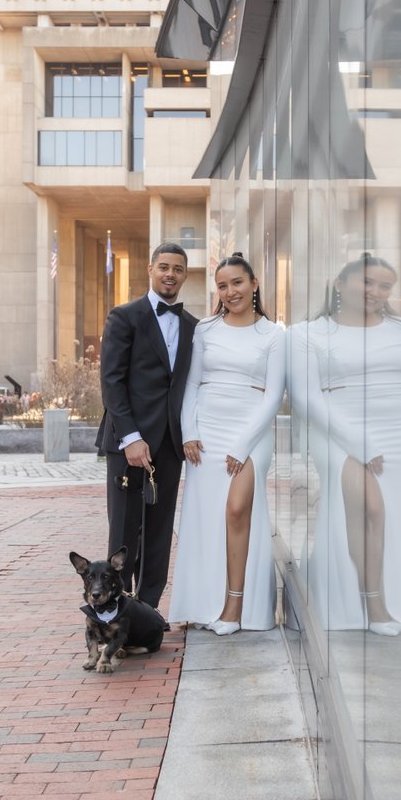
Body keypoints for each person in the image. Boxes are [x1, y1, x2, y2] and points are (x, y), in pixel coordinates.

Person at [288, 254, 401, 635]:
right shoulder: (307, 334)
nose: (376, 292)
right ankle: (374, 607)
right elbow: (307, 398)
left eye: (385, 286)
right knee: (371, 509)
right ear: (340, 284)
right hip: (339, 434)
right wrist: (359, 442)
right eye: (367, 282)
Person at [169, 253, 286, 635]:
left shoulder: (273, 334)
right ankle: (205, 604)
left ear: (254, 284)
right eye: (222, 285)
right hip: (207, 433)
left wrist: (243, 443)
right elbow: (192, 383)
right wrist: (189, 431)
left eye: (237, 282)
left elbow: (273, 396)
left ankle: (236, 608)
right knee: (206, 517)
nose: (230, 291)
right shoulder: (205, 329)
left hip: (249, 434)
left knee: (237, 511)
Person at [98, 242, 197, 612]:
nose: (171, 274)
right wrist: (131, 437)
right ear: (150, 269)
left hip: (170, 446)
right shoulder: (124, 317)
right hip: (128, 444)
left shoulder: (192, 326)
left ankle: (149, 611)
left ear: (185, 275)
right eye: (164, 267)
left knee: (158, 533)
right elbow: (112, 382)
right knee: (124, 533)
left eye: (178, 269)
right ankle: (114, 612)